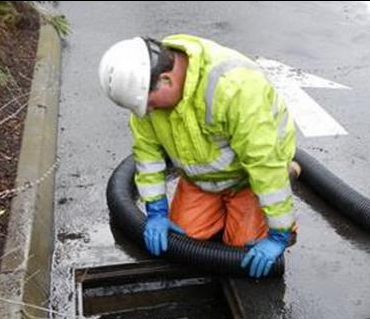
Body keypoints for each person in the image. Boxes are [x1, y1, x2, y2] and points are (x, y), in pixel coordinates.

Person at [98, 35, 297, 278]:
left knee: (242, 251)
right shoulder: (147, 97)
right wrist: (156, 210)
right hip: (201, 179)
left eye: (149, 104)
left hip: (250, 178)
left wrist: (279, 233)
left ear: (166, 79)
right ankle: (223, 208)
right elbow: (148, 154)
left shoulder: (233, 88)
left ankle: (288, 181)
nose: (147, 111)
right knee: (183, 240)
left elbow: (264, 163)